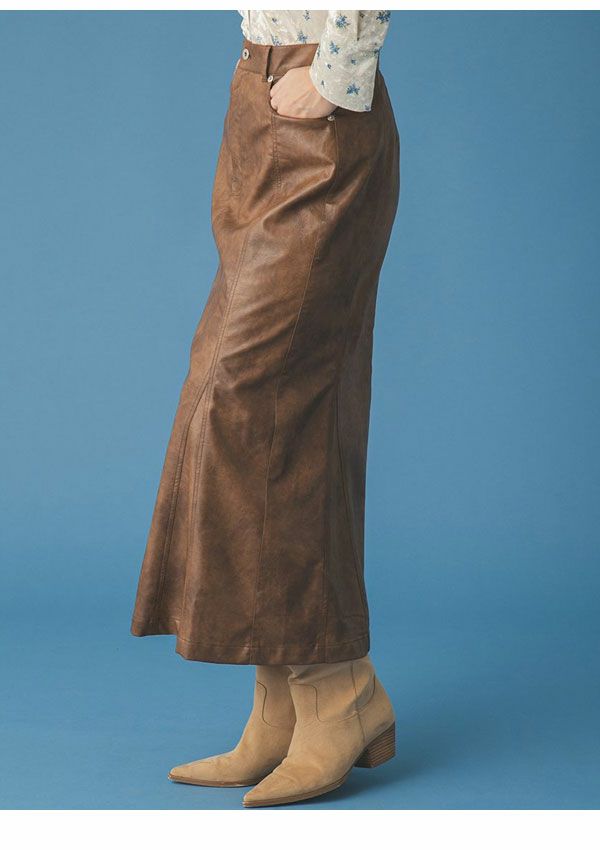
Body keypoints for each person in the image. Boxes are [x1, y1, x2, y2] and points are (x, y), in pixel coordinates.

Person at [131, 9, 400, 807]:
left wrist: (335, 72)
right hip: (256, 97)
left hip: (322, 104)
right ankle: (279, 708)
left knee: (264, 406)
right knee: (241, 410)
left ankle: (336, 690)